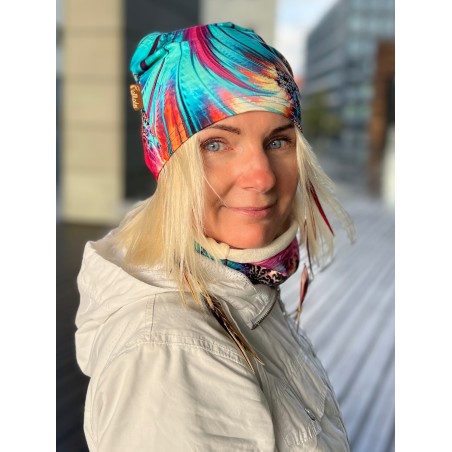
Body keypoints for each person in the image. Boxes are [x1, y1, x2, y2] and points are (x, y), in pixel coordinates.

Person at [75, 22, 355, 451]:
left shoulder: (241, 285)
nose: (262, 177)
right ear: (170, 164)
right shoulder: (171, 355)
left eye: (278, 142)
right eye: (217, 145)